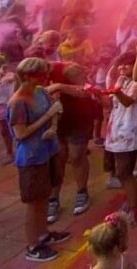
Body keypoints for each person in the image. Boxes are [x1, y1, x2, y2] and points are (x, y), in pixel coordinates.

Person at [7, 57, 71, 262]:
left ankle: (43, 233)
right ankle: (33, 245)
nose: (45, 77)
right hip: (32, 157)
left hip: (47, 151)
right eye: (40, 74)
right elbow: (21, 134)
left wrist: (53, 123)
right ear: (26, 76)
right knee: (34, 202)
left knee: (44, 196)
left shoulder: (40, 91)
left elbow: (55, 110)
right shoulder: (18, 102)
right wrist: (47, 117)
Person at [101, 53, 137, 225]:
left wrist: (115, 92)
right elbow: (111, 103)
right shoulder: (121, 80)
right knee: (121, 172)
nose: (122, 68)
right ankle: (132, 201)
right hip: (116, 131)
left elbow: (128, 101)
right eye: (120, 65)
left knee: (124, 172)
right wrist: (94, 94)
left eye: (126, 65)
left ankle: (135, 206)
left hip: (130, 132)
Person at [45, 60, 98, 222]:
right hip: (54, 121)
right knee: (57, 159)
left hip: (78, 118)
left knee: (76, 156)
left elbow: (88, 91)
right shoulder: (29, 71)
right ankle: (53, 199)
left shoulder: (69, 70)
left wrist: (61, 86)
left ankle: (82, 192)